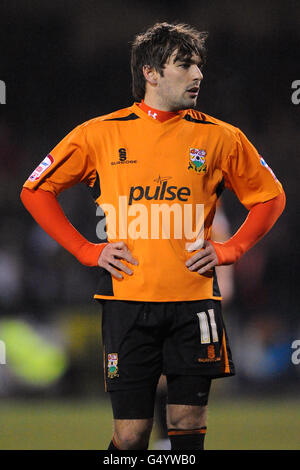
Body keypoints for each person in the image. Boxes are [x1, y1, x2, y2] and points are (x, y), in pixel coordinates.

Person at [21, 22, 285, 450]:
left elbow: (271, 197)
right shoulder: (100, 133)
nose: (198, 75)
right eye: (185, 65)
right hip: (128, 304)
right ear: (151, 72)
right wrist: (86, 251)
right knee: (131, 435)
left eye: (200, 65)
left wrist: (232, 248)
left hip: (195, 302)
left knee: (187, 420)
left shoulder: (221, 137)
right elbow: (35, 191)